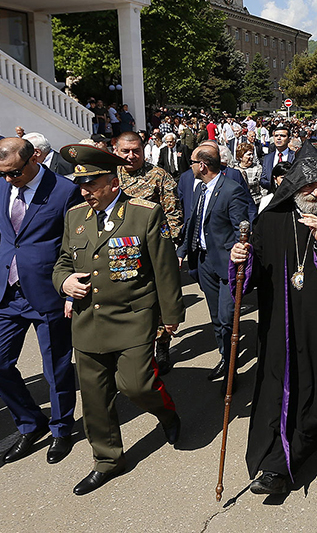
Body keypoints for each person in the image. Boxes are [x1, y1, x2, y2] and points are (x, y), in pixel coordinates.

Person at [53, 144, 183, 495]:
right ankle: (108, 460)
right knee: (95, 398)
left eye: (92, 184)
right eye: (82, 185)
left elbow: (164, 269)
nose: (85, 192)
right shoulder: (75, 216)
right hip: (88, 323)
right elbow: (64, 261)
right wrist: (63, 282)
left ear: (113, 182)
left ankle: (167, 413)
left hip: (132, 317)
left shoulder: (144, 214)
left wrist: (171, 316)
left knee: (136, 386)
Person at [231, 144, 317, 495]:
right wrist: (241, 259)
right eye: (307, 186)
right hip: (279, 324)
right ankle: (276, 467)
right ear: (292, 186)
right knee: (279, 392)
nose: (315, 192)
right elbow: (251, 274)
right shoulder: (270, 220)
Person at [0, 137, 82, 465]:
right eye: (1, 174)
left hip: (48, 291)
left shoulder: (64, 191)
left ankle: (61, 429)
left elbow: (74, 245)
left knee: (55, 368)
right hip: (7, 294)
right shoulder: (1, 188)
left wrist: (70, 289)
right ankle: (31, 421)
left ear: (34, 159)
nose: (7, 179)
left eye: (13, 172)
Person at [113, 132, 183, 372]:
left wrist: (169, 246)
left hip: (151, 250)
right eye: (126, 151)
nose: (131, 156)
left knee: (157, 298)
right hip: (118, 252)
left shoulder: (158, 176)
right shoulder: (109, 176)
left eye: (136, 151)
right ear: (116, 150)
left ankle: (162, 343)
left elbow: (172, 213)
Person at [181, 144, 250, 384]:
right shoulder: (200, 189)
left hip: (225, 264)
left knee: (226, 316)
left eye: (191, 162)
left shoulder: (231, 190)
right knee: (215, 316)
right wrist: (183, 250)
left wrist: (238, 252)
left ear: (202, 165)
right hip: (203, 260)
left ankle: (231, 369)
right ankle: (225, 356)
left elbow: (241, 227)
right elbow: (194, 222)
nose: (189, 167)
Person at [259, 124, 296, 193]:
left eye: (282, 136)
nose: (279, 138)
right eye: (276, 136)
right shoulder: (267, 158)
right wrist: (274, 185)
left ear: (289, 139)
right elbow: (263, 179)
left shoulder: (295, 156)